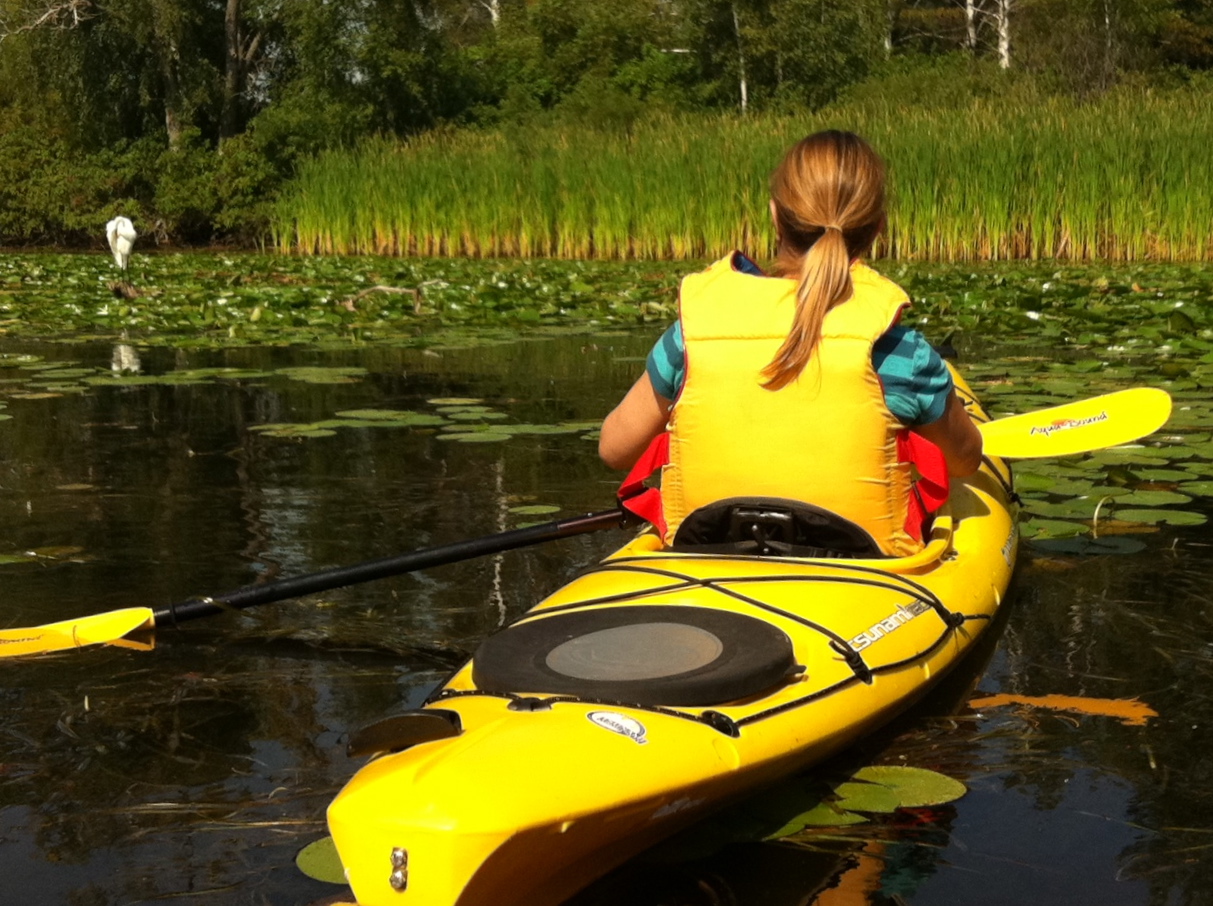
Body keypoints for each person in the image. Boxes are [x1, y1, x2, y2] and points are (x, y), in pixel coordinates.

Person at [598, 130, 982, 558]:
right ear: (878, 228)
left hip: (705, 552)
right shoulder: (901, 353)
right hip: (862, 566)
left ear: (776, 216)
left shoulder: (689, 338)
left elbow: (614, 448)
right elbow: (965, 461)